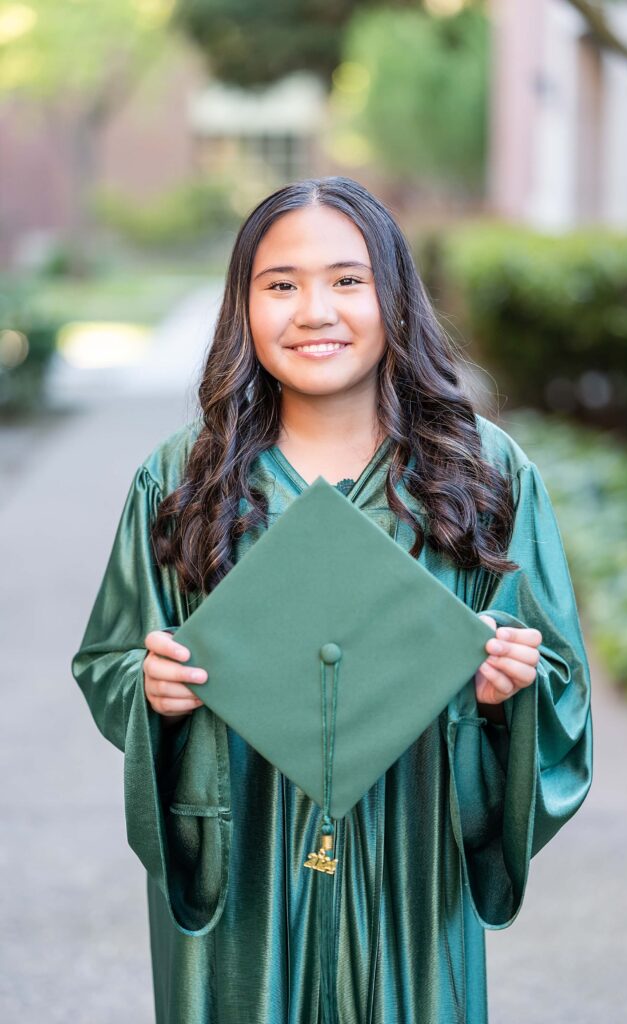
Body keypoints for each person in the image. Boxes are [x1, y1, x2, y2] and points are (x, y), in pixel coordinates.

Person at [71, 175, 593, 1024]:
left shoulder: (479, 474)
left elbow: (558, 674)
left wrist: (510, 690)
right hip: (245, 850)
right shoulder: (182, 479)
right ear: (242, 307)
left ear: (394, 297)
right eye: (280, 285)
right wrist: (149, 687)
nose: (314, 311)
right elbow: (109, 659)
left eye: (347, 281)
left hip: (412, 848)